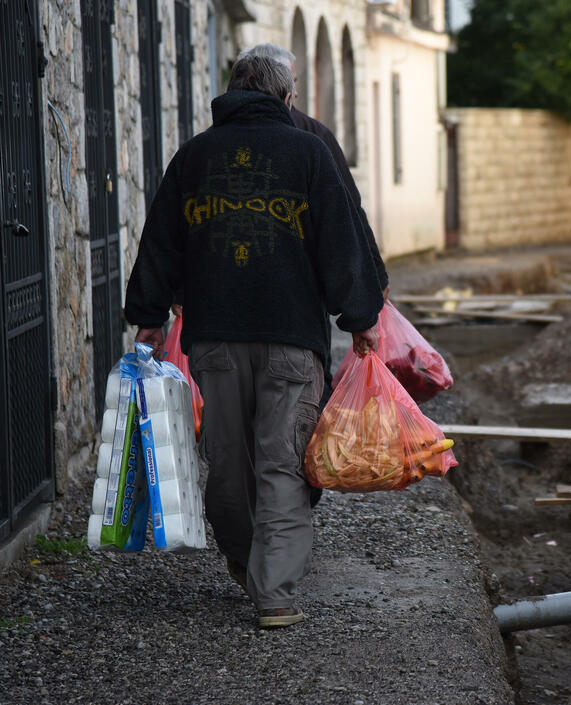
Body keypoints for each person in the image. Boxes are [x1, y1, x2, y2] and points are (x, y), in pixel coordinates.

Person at [123, 54, 384, 628]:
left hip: (213, 339)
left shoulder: (194, 155)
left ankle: (246, 564)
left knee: (227, 464)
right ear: (287, 98)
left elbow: (161, 239)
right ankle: (275, 594)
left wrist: (148, 315)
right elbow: (342, 242)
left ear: (231, 92)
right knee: (281, 462)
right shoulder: (310, 153)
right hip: (292, 339)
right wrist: (362, 316)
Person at [237, 42, 389, 409]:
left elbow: (348, 214)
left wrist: (373, 283)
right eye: (293, 81)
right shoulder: (311, 142)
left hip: (233, 315)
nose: (297, 91)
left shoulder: (211, 143)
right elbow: (345, 223)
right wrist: (363, 305)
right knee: (288, 428)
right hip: (293, 311)